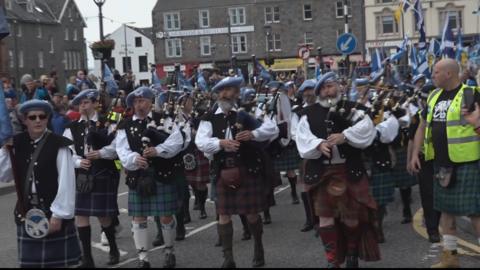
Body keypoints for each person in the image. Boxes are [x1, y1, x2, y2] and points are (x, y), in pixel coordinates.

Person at [296, 72, 380, 268]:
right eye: (323, 88)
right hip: (322, 173)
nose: (328, 91)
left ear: (339, 87)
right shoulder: (307, 113)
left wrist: (345, 136)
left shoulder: (355, 109)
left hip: (349, 169)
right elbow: (302, 137)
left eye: (331, 86)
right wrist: (317, 145)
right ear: (318, 92)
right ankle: (332, 260)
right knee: (325, 218)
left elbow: (367, 130)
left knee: (352, 217)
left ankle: (351, 254)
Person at [195, 76, 279, 268]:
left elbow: (272, 129)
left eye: (233, 90)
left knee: (251, 214)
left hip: (247, 167)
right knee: (223, 214)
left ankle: (258, 248)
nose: (230, 94)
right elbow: (200, 142)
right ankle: (228, 258)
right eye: (225, 91)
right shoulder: (208, 117)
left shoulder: (248, 111)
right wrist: (220, 143)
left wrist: (253, 134)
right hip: (223, 170)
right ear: (218, 94)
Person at [411, 59, 480, 268]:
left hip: (467, 162)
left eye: (436, 72)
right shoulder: (433, 96)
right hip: (441, 164)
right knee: (446, 212)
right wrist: (416, 152)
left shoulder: (471, 93)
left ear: (449, 73)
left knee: (476, 213)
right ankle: (450, 258)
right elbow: (422, 126)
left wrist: (476, 122)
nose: (432, 75)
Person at [0, 100, 81, 267]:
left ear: (47, 119)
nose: (38, 120)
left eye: (42, 116)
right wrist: (4, 149)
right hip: (27, 214)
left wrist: (58, 215)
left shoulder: (59, 145)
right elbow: (4, 175)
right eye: (32, 117)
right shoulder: (15, 143)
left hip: (52, 213)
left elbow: (67, 183)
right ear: (24, 120)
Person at [116, 86, 188, 268]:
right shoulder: (124, 125)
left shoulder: (163, 119)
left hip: (162, 173)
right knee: (138, 217)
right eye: (136, 101)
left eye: (143, 101)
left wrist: (158, 151)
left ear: (151, 102)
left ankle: (169, 251)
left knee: (165, 216)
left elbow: (177, 141)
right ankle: (143, 258)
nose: (139, 105)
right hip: (138, 176)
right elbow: (121, 149)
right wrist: (134, 159)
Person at [63, 89, 121, 267]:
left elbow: (117, 144)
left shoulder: (109, 121)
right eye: (80, 103)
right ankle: (87, 257)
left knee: (103, 216)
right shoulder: (71, 127)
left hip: (103, 172)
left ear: (96, 103)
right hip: (83, 174)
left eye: (86, 102)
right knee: (81, 215)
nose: (82, 105)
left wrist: (102, 153)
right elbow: (67, 152)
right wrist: (78, 162)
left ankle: (113, 248)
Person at [406, 83, 441, 243]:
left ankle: (437, 222)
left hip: (443, 158)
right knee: (427, 194)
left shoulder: (443, 113)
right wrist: (410, 160)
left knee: (441, 193)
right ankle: (432, 229)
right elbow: (412, 140)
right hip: (423, 159)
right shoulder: (418, 116)